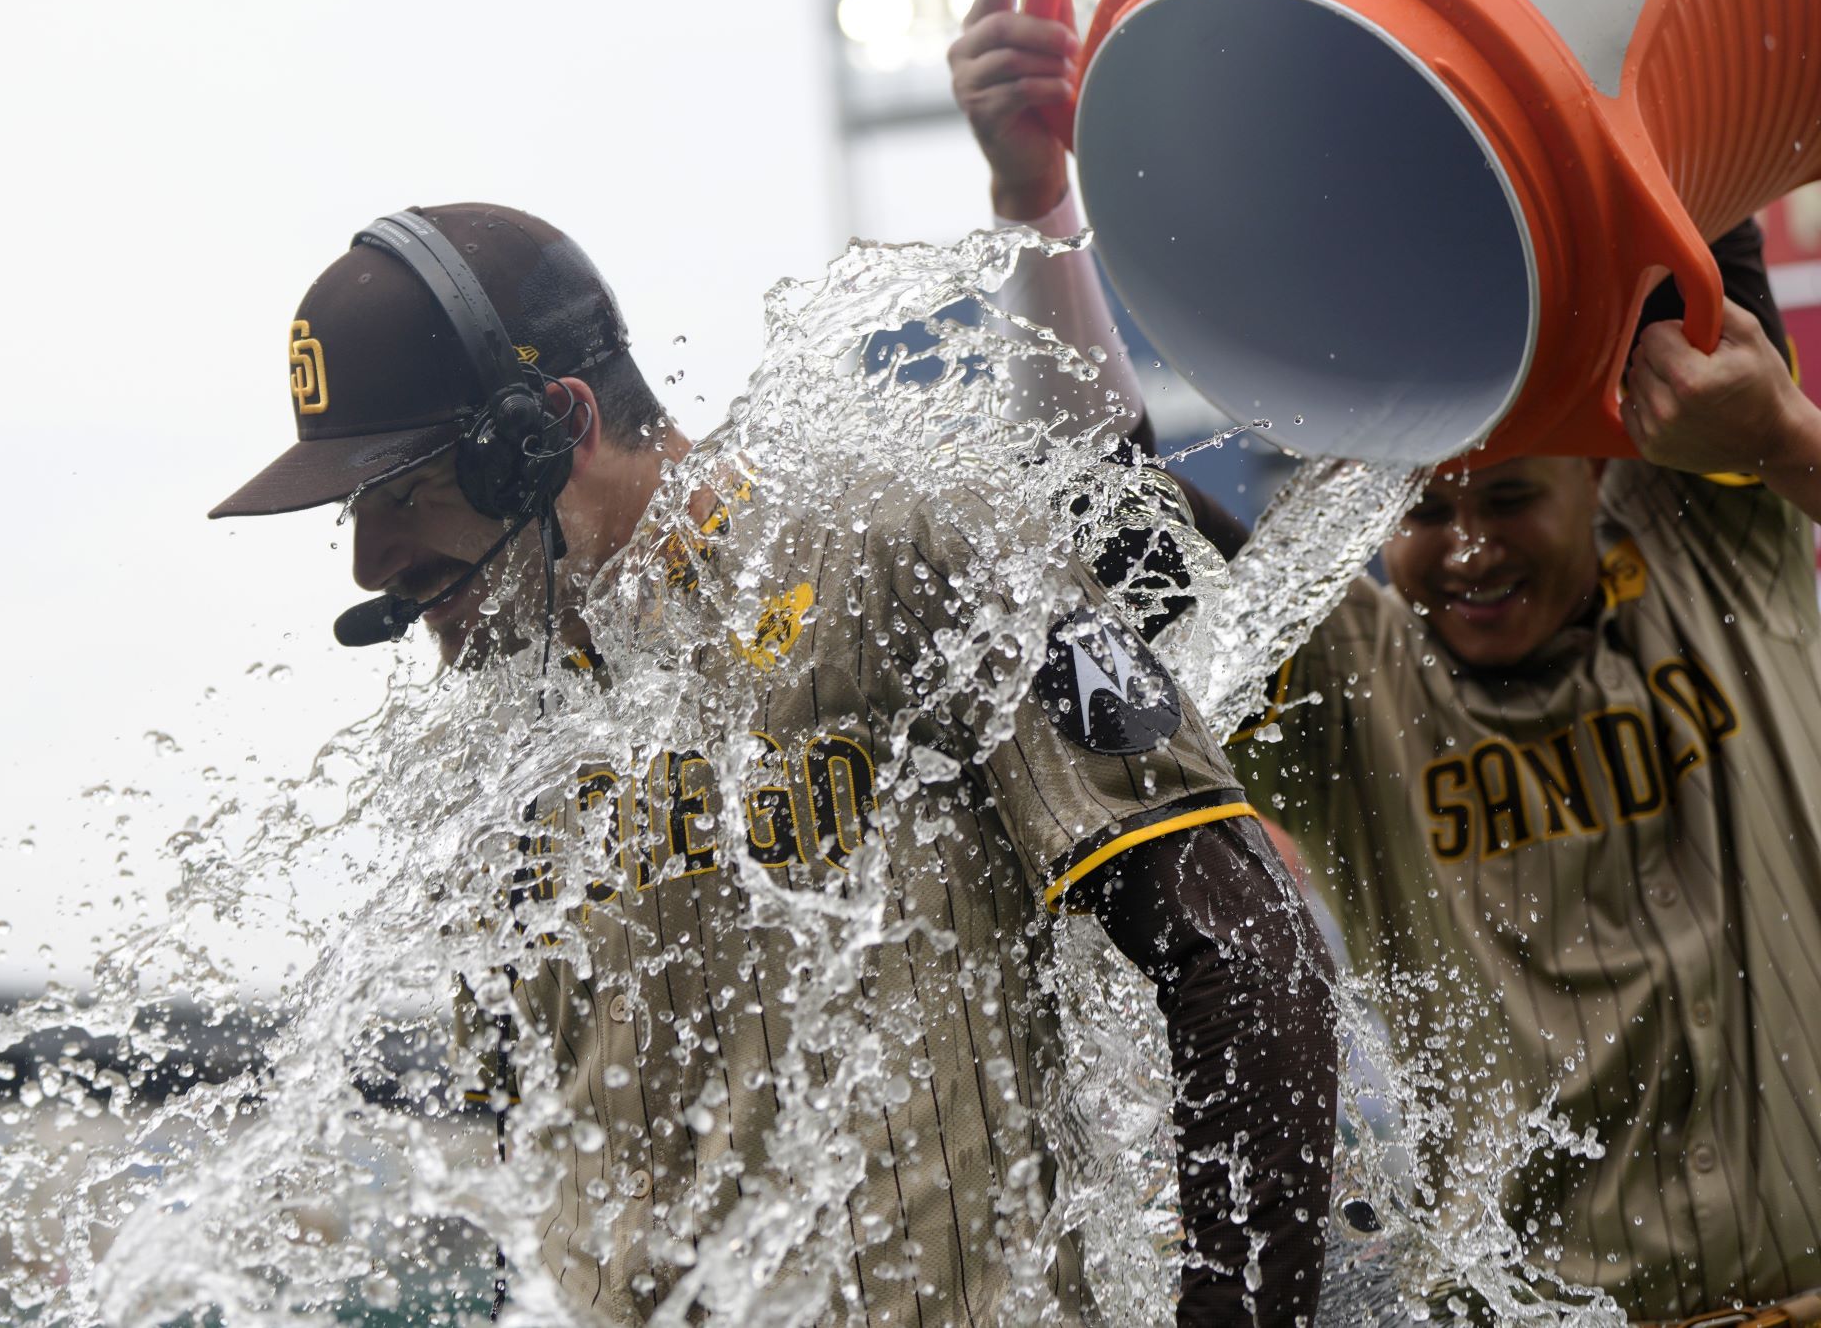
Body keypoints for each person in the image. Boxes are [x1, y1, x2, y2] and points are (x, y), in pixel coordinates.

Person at [208, 203, 1342, 1324]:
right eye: (356, 510)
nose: (370, 565)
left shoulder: (899, 540)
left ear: (550, 428)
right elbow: (538, 1163)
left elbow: (1246, 950)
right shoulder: (491, 750)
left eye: (403, 493)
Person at [952, 0, 1821, 1325]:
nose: (1467, 546)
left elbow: (1696, 174)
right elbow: (1104, 516)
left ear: (1605, 475)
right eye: (1428, 510)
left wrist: (1782, 439)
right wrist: (1033, 197)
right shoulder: (1344, 676)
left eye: (1514, 496)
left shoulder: (1720, 539)